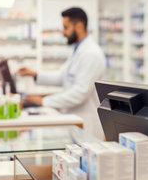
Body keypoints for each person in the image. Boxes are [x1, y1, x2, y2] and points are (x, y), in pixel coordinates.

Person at [18, 7, 106, 140]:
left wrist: (44, 101)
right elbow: (61, 77)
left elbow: (79, 93)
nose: (63, 32)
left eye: (66, 27)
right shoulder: (78, 50)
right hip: (75, 119)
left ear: (80, 26)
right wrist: (34, 74)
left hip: (86, 123)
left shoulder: (91, 54)